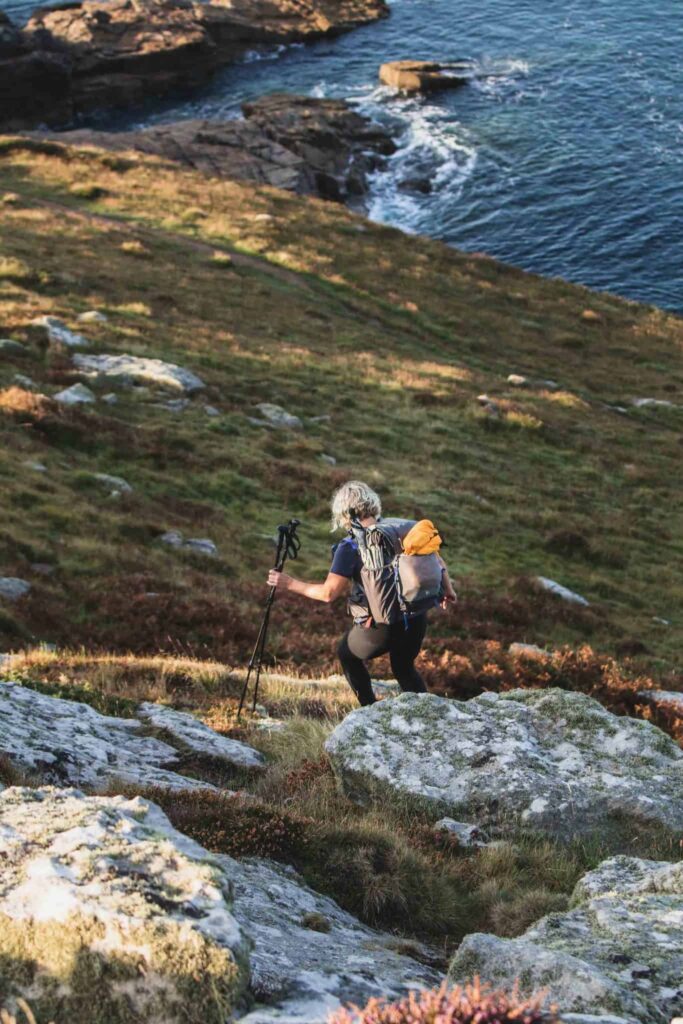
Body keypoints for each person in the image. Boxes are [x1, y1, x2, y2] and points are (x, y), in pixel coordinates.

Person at [268, 480, 457, 706]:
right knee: (404, 668)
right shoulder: (401, 528)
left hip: (381, 627)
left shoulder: (349, 546)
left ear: (344, 513)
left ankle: (368, 711)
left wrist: (289, 583)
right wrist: (447, 589)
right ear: (372, 503)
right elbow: (436, 557)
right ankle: (429, 717)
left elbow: (328, 594)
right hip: (416, 616)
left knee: (347, 654)